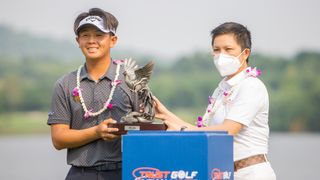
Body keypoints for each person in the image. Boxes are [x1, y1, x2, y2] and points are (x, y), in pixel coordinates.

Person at [154, 22, 276, 180]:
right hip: (223, 173)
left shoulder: (251, 86)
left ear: (245, 53)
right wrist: (165, 114)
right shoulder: (221, 89)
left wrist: (182, 129)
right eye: (216, 50)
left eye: (228, 49)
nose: (221, 55)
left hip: (250, 172)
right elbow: (204, 130)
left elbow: (227, 131)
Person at [47, 8, 139, 180]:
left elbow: (146, 128)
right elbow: (58, 139)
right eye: (85, 35)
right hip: (80, 173)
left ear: (113, 40)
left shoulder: (131, 81)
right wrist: (96, 132)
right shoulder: (65, 84)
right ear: (78, 40)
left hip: (124, 172)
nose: (91, 41)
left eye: (98, 35)